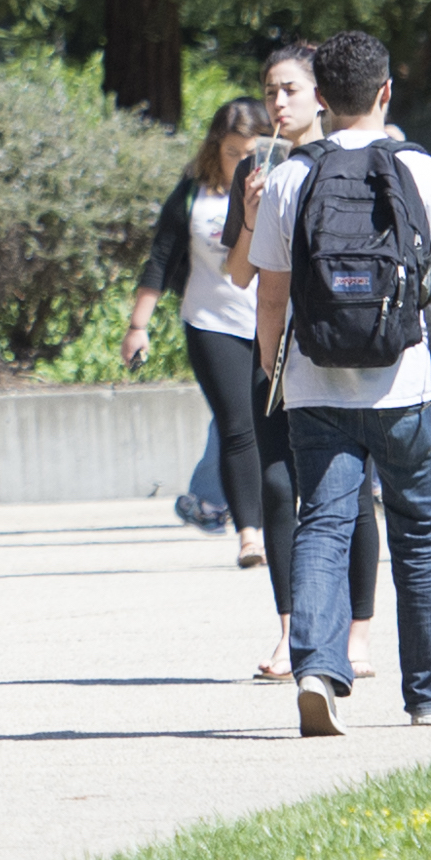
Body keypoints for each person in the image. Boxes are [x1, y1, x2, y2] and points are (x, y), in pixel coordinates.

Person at [246, 31, 431, 736]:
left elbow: (271, 296)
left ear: (320, 98)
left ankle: (319, 671)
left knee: (322, 525)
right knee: (417, 533)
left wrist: (271, 367)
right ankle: (430, 694)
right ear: (386, 91)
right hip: (405, 385)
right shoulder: (423, 173)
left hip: (315, 385)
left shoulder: (293, 178)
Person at [222, 44, 373, 682]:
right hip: (275, 348)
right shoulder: (258, 167)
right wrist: (253, 220)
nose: (276, 103)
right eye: (269, 90)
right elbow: (238, 275)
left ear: (320, 95)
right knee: (280, 486)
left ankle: (357, 634)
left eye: (288, 89)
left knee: (352, 490)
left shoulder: (354, 160)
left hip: (342, 344)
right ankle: (293, 632)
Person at [140, 99, 277, 578]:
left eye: (251, 152)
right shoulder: (194, 194)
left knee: (272, 426)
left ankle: (283, 522)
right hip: (211, 321)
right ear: (215, 148)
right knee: (237, 427)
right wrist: (139, 326)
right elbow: (160, 257)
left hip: (273, 319)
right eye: (232, 151)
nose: (242, 161)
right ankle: (249, 535)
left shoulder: (282, 183)